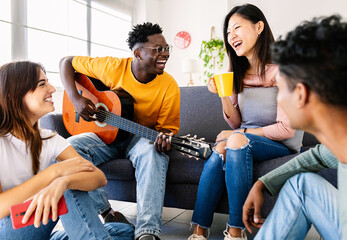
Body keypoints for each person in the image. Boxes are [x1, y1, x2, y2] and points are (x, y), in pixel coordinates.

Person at [188, 4, 303, 240]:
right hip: (244, 140)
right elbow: (235, 123)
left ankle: (236, 231)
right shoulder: (237, 72)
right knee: (220, 148)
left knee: (235, 140)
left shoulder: (284, 71)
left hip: (281, 143)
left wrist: (239, 134)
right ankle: (199, 231)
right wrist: (223, 93)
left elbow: (285, 128)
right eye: (228, 32)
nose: (231, 36)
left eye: (237, 28)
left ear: (259, 26)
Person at [59, 22, 180, 240]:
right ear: (138, 53)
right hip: (103, 137)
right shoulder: (112, 67)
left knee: (153, 152)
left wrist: (165, 139)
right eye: (157, 49)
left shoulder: (169, 86)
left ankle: (147, 232)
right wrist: (75, 98)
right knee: (66, 149)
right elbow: (66, 61)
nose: (165, 54)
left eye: (166, 48)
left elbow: (166, 131)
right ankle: (108, 212)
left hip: (139, 139)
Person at [0, 61, 134, 240]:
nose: (52, 89)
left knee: (123, 231)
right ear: (12, 95)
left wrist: (63, 181)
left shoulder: (49, 138)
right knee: (65, 180)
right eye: (42, 84)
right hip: (9, 230)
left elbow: (98, 178)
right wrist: (55, 173)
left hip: (41, 229)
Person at [242, 15, 347, 239]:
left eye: (280, 89)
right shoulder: (339, 144)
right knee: (302, 183)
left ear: (301, 94)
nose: (277, 101)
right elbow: (316, 157)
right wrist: (262, 183)